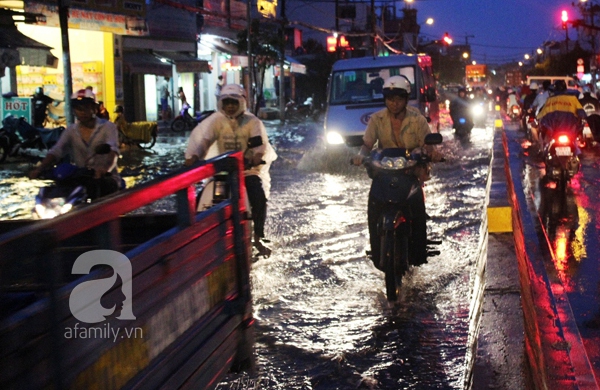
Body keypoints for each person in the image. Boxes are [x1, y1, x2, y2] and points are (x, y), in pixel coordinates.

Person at [351, 75, 442, 269]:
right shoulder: (377, 119)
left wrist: (431, 153)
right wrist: (360, 156)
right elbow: (367, 145)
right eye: (390, 99)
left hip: (410, 172)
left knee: (417, 209)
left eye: (399, 98)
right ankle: (376, 247)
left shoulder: (417, 119)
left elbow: (427, 144)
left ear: (406, 99)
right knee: (373, 206)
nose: (394, 103)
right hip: (385, 173)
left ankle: (418, 251)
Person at [184, 84, 277, 257]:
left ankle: (258, 235)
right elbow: (204, 141)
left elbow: (260, 146)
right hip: (223, 170)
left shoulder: (253, 122)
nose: (230, 106)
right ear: (221, 104)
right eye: (226, 103)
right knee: (200, 200)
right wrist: (194, 158)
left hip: (247, 171)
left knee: (258, 197)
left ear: (241, 103)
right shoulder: (216, 121)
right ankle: (196, 236)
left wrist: (255, 159)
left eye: (234, 102)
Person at [29, 89, 122, 199]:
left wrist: (105, 169)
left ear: (94, 108)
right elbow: (57, 151)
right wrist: (40, 168)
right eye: (78, 108)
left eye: (86, 107)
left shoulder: (108, 127)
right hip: (80, 178)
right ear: (74, 110)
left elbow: (113, 151)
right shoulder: (71, 131)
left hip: (106, 179)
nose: (82, 112)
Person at [537, 79, 587, 152]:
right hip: (569, 131)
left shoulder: (550, 100)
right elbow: (582, 113)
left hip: (554, 131)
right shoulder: (573, 99)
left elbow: (540, 115)